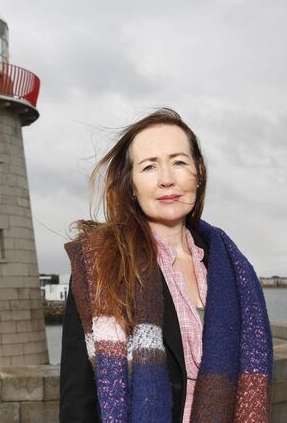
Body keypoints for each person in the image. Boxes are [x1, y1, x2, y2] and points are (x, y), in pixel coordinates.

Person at [60, 109, 273, 423]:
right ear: (131, 185)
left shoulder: (233, 268)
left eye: (179, 162)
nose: (166, 179)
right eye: (149, 166)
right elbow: (78, 403)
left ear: (199, 173)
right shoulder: (99, 266)